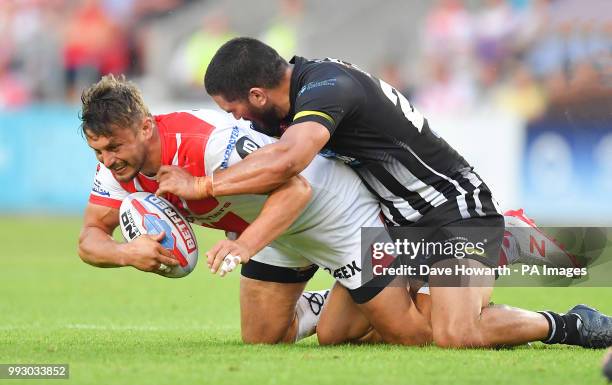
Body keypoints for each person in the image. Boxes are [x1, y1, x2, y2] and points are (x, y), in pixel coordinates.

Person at [153, 36, 611, 349]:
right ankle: (448, 286)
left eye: (233, 107)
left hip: (453, 212)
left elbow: (290, 161)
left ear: (256, 94)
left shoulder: (328, 89)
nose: (237, 120)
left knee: (456, 334)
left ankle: (566, 321)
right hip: (395, 224)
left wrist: (203, 186)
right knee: (334, 333)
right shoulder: (293, 95)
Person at [77, 74, 434, 345]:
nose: (108, 161)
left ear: (145, 126)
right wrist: (126, 252)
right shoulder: (117, 169)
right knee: (265, 338)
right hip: (273, 228)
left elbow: (296, 189)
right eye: (98, 152)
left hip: (334, 212)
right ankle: (342, 298)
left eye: (115, 147)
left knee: (411, 335)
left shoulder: (207, 143)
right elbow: (89, 238)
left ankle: (423, 267)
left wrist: (243, 245)